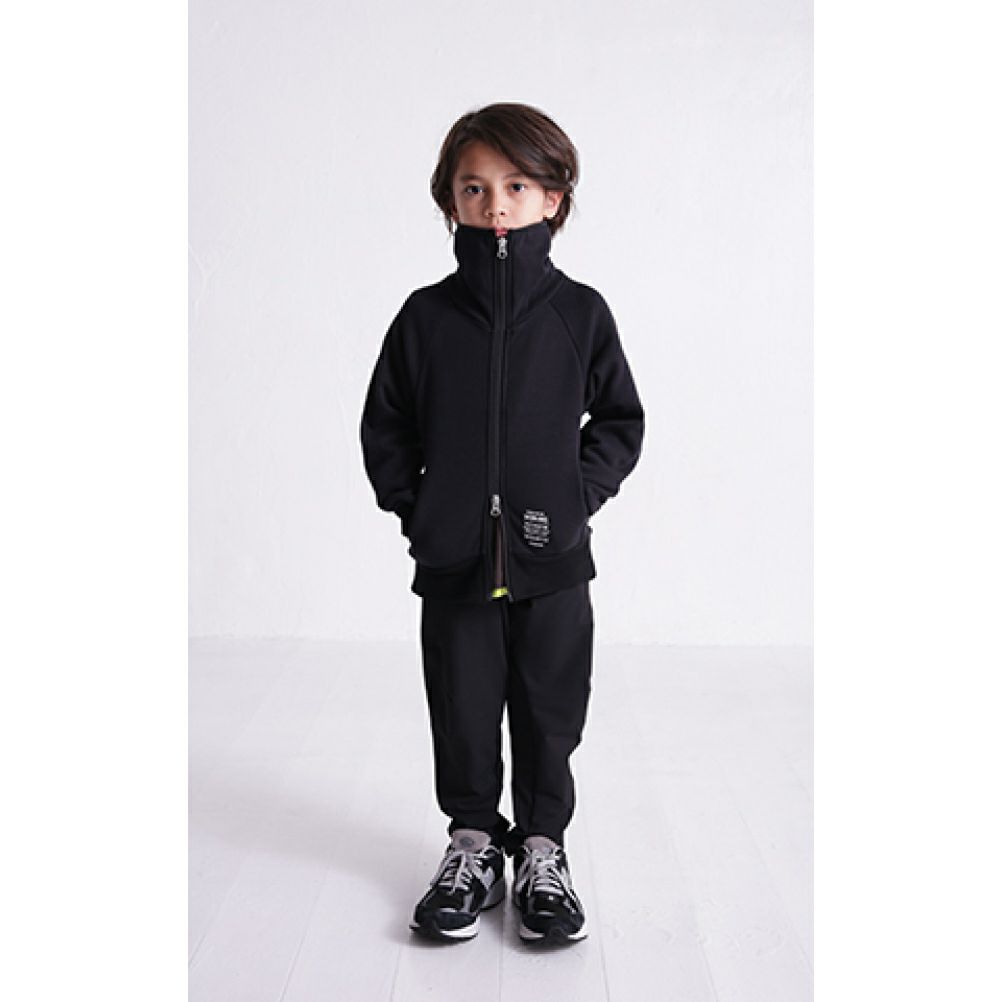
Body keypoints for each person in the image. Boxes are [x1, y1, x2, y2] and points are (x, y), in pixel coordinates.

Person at [360, 102, 645, 945]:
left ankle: (544, 852)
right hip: (455, 563)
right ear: (449, 200)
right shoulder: (425, 318)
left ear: (553, 198)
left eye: (516, 186)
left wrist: (574, 497)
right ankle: (474, 846)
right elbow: (386, 426)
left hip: (551, 561)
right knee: (463, 706)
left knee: (551, 712)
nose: (495, 205)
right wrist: (422, 509)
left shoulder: (579, 314)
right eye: (474, 187)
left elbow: (619, 421)